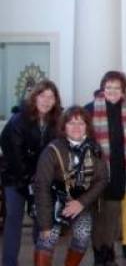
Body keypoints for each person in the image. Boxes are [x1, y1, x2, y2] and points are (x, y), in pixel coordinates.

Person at [33, 106, 107, 266]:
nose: (76, 127)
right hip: (53, 203)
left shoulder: (95, 149)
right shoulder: (52, 150)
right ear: (63, 126)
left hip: (81, 202)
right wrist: (45, 224)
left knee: (83, 235)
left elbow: (102, 179)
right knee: (47, 239)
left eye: (81, 123)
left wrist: (81, 203)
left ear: (87, 126)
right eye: (71, 123)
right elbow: (42, 187)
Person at [1, 80, 62, 266]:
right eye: (42, 95)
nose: (46, 100)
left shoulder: (57, 121)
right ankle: (10, 263)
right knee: (14, 221)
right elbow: (15, 157)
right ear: (34, 98)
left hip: (42, 180)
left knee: (42, 220)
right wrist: (29, 182)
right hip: (16, 179)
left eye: (50, 97)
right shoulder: (18, 120)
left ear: (55, 100)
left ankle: (40, 260)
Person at [86, 71, 126, 266]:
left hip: (119, 171)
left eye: (117, 87)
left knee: (113, 216)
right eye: (109, 87)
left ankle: (109, 250)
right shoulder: (89, 109)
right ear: (102, 88)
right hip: (96, 172)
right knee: (98, 215)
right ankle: (99, 254)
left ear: (123, 90)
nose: (112, 91)